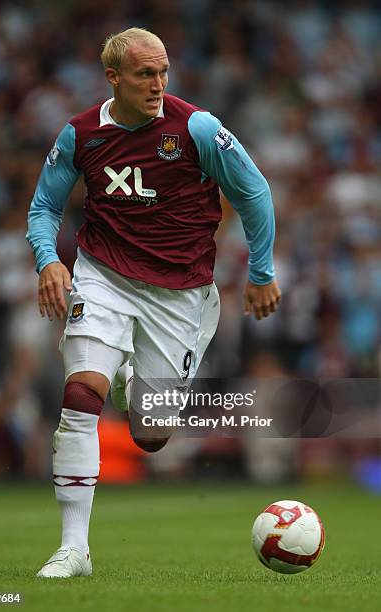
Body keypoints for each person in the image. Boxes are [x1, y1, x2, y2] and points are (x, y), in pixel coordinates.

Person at [26, 27, 281, 578]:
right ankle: (74, 548)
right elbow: (44, 207)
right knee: (80, 393)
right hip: (104, 276)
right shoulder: (81, 134)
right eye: (145, 74)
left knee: (151, 434)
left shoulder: (197, 129)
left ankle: (131, 376)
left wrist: (261, 271)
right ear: (112, 77)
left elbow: (254, 192)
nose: (158, 84)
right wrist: (49, 260)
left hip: (180, 293)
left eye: (163, 72)